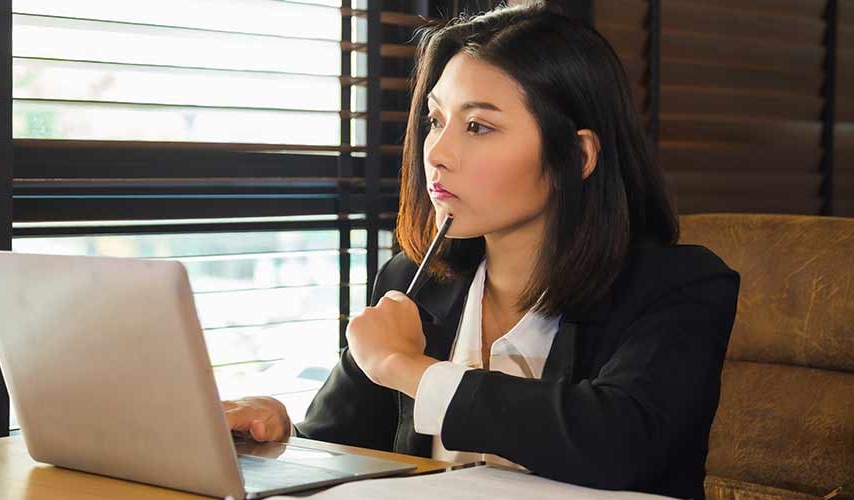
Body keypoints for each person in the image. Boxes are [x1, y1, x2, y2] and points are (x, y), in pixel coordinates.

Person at [223, 2, 739, 499]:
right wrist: (278, 435)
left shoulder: (679, 287)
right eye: (435, 120)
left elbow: (623, 443)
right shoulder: (414, 280)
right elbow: (341, 447)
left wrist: (408, 367)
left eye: (478, 126)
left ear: (578, 155)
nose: (438, 154)